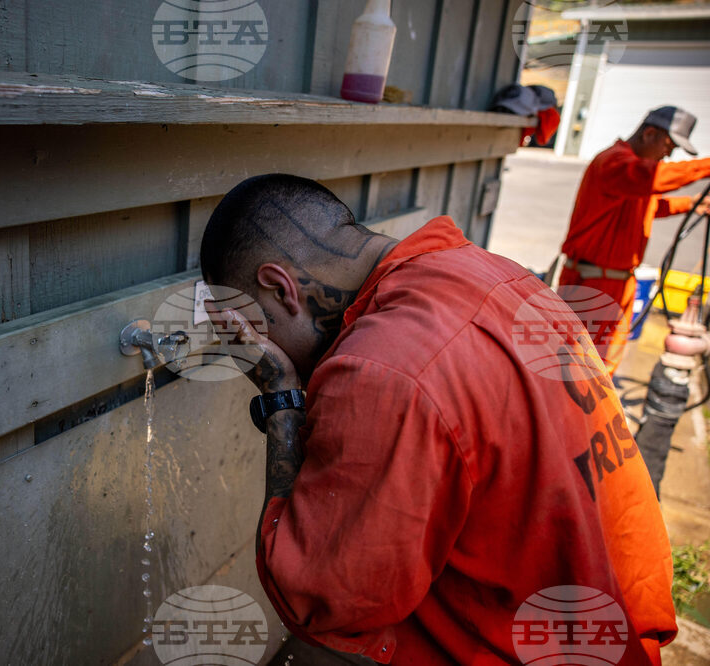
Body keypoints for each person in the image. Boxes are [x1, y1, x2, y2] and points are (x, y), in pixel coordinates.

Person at [200, 174, 676, 664]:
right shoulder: (492, 272)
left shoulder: (383, 371)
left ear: (281, 289)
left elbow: (323, 598)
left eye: (257, 333)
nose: (267, 350)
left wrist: (280, 394)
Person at [559, 106, 710, 375]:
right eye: (668, 146)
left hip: (617, 282)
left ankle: (594, 415)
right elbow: (650, 179)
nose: (668, 155)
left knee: (601, 369)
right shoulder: (614, 163)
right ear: (650, 133)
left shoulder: (631, 177)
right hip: (593, 284)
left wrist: (692, 205)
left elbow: (649, 205)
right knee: (577, 368)